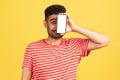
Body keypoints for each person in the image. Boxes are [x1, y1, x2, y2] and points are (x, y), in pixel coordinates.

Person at [21, 4, 110, 80]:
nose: (57, 26)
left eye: (60, 22)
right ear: (45, 24)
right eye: (53, 22)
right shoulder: (32, 48)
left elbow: (104, 41)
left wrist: (75, 28)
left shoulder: (75, 44)